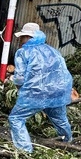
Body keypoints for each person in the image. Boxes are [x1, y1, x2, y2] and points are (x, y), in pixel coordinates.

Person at [7, 22, 74, 152]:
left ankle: (25, 151)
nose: (20, 40)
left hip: (35, 93)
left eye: (22, 37)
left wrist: (13, 81)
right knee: (60, 119)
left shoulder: (23, 52)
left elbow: (20, 78)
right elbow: (62, 72)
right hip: (57, 93)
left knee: (16, 118)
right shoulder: (53, 51)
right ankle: (68, 143)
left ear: (28, 37)